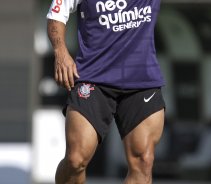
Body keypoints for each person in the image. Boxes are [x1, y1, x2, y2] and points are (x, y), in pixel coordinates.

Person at [46, 0, 165, 183]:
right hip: (93, 79)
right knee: (76, 159)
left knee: (143, 161)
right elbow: (56, 16)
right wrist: (61, 53)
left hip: (142, 82)